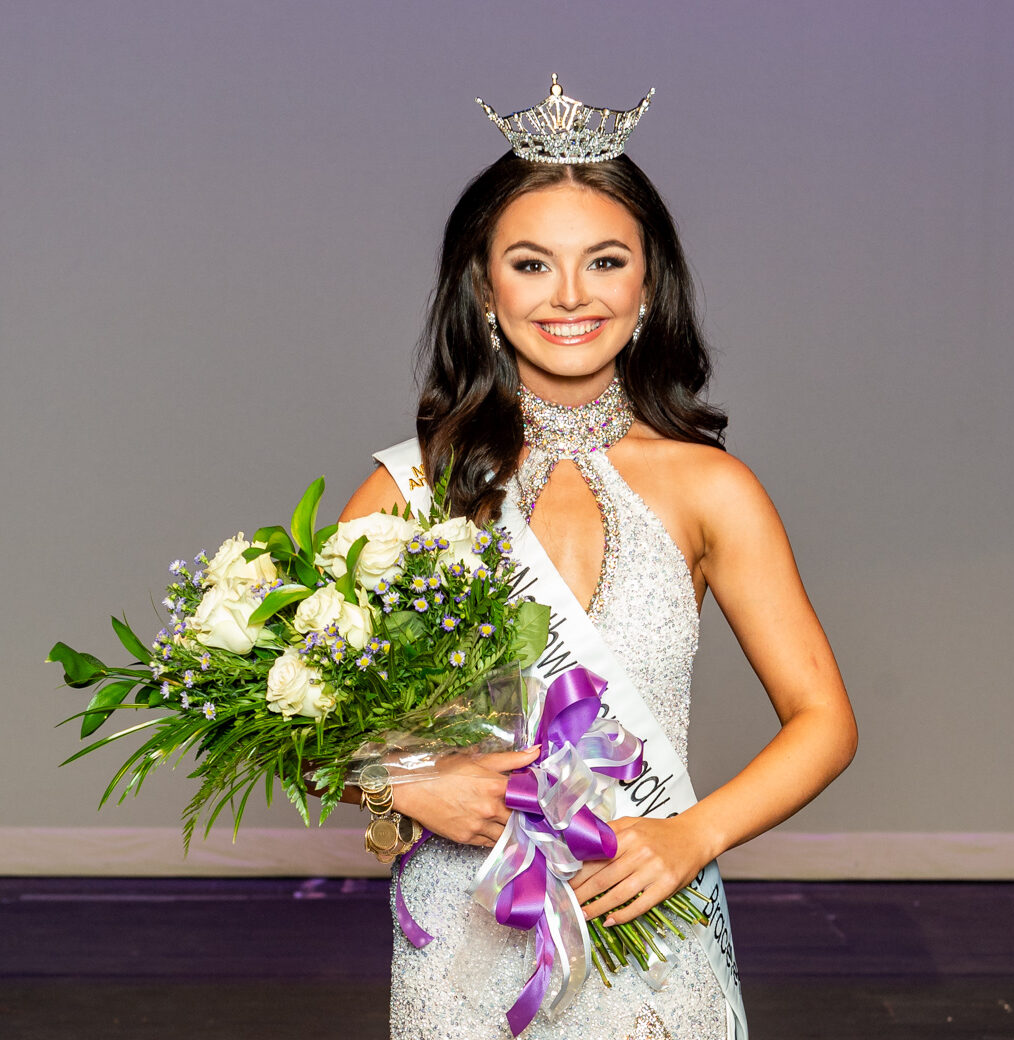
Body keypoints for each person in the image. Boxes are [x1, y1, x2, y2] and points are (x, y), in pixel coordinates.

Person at [338, 77, 857, 1040]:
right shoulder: (410, 490)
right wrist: (403, 782)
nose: (570, 295)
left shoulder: (709, 489)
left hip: (649, 909)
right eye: (531, 264)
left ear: (647, 286)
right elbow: (293, 714)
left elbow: (823, 719)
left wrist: (691, 835)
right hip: (465, 933)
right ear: (483, 290)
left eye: (605, 261)